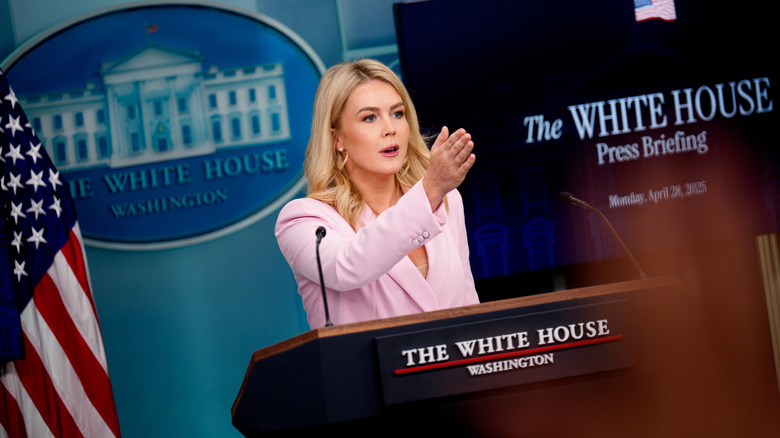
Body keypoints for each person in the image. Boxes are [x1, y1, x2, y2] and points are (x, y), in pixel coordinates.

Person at [275, 59, 478, 329]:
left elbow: (469, 306)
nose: (390, 128)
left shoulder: (447, 200)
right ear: (337, 139)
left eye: (397, 113)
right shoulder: (302, 220)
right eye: (369, 118)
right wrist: (429, 191)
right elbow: (348, 266)